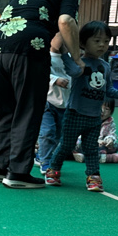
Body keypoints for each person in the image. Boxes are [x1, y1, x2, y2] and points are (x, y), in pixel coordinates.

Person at [0, 0, 82, 189]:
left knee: (5, 109)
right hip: (29, 47)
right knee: (28, 110)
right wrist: (77, 57)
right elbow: (66, 21)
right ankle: (18, 172)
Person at [45, 22, 118, 192]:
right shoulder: (79, 62)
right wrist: (64, 51)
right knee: (66, 145)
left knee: (91, 148)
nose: (102, 45)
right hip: (75, 113)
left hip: (94, 117)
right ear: (83, 43)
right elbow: (71, 69)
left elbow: (108, 89)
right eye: (97, 40)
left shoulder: (105, 66)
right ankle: (53, 170)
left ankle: (93, 176)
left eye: (106, 41)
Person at [38, 37, 75, 173]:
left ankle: (42, 154)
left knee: (59, 135)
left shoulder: (69, 58)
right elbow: (38, 73)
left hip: (64, 104)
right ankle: (46, 161)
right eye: (60, 36)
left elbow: (75, 74)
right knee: (48, 131)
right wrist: (55, 80)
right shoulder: (44, 56)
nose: (64, 40)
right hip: (47, 102)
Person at [73, 99, 118, 164]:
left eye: (106, 109)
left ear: (111, 111)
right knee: (75, 144)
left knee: (116, 146)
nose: (102, 111)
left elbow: (111, 133)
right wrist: (96, 140)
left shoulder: (110, 122)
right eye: (99, 107)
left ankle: (82, 156)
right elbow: (81, 135)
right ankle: (104, 158)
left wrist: (109, 140)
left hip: (100, 146)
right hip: (85, 144)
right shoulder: (88, 118)